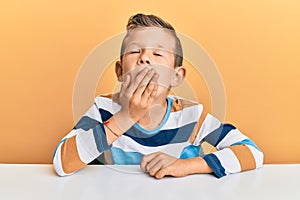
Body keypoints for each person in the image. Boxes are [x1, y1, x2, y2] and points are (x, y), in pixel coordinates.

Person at [53, 13, 263, 179]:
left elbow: (252, 153)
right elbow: (62, 163)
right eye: (135, 51)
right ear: (120, 71)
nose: (145, 58)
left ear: (175, 76)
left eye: (157, 53)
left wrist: (186, 166)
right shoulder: (103, 110)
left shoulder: (191, 117)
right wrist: (126, 117)